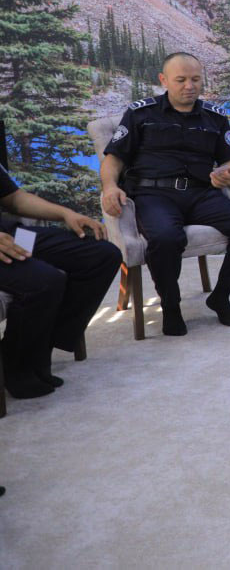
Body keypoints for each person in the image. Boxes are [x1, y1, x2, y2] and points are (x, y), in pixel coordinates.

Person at [100, 52, 230, 336]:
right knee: (166, 238)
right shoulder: (140, 114)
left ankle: (221, 295)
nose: (190, 86)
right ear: (164, 80)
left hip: (201, 194)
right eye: (181, 80)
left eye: (196, 79)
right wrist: (110, 186)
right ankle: (171, 306)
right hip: (154, 195)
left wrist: (229, 174)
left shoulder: (215, 117)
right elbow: (113, 159)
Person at [0, 162, 120, 398]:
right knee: (44, 280)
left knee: (102, 256)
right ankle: (16, 364)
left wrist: (66, 214)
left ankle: (39, 346)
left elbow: (14, 199)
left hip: (10, 235)